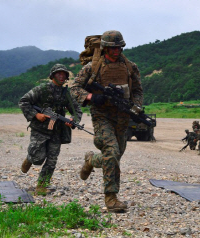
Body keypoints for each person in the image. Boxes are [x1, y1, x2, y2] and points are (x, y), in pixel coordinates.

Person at [70, 30, 143, 212]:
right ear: (105, 48)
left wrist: (137, 107)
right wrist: (91, 97)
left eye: (119, 47)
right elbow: (74, 89)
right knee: (111, 151)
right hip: (102, 115)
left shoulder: (130, 67)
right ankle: (111, 198)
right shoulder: (92, 67)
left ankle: (91, 160)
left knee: (115, 156)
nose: (116, 51)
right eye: (113, 48)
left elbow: (138, 91)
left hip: (122, 116)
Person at [19, 64, 82, 195]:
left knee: (52, 160)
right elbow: (24, 101)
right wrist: (36, 115)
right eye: (59, 74)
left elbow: (76, 110)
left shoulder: (66, 94)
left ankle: (42, 185)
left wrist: (73, 120)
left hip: (56, 132)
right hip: (40, 130)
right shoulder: (42, 89)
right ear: (53, 75)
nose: (61, 76)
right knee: (38, 158)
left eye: (64, 74)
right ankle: (30, 159)